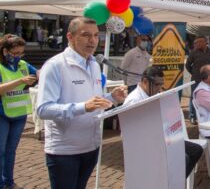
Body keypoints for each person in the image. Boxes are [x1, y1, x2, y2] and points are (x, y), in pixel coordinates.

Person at [36, 17, 128, 189]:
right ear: (70, 37)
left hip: (91, 146)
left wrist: (112, 97)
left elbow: (94, 101)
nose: (92, 40)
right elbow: (43, 109)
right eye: (86, 35)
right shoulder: (55, 66)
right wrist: (83, 107)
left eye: (95, 35)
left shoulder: (94, 64)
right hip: (65, 151)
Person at [123, 66, 202, 178]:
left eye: (161, 85)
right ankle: (170, 181)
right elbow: (129, 132)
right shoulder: (134, 100)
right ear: (145, 81)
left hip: (160, 138)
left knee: (196, 150)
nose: (159, 88)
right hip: (147, 144)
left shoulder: (150, 94)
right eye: (156, 85)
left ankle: (174, 182)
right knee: (183, 157)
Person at [0, 34, 37, 189]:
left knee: (11, 151)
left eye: (21, 53)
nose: (17, 57)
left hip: (19, 114)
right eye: (14, 53)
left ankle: (9, 181)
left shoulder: (23, 64)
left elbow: (40, 74)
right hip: (2, 114)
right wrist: (21, 81)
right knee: (0, 150)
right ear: (4, 51)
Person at [185, 36, 210, 124]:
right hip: (196, 79)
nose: (197, 44)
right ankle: (192, 116)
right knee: (194, 97)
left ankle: (206, 116)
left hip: (209, 80)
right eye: (196, 42)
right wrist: (194, 73)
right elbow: (187, 65)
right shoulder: (193, 53)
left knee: (209, 96)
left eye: (199, 41)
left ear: (205, 42)